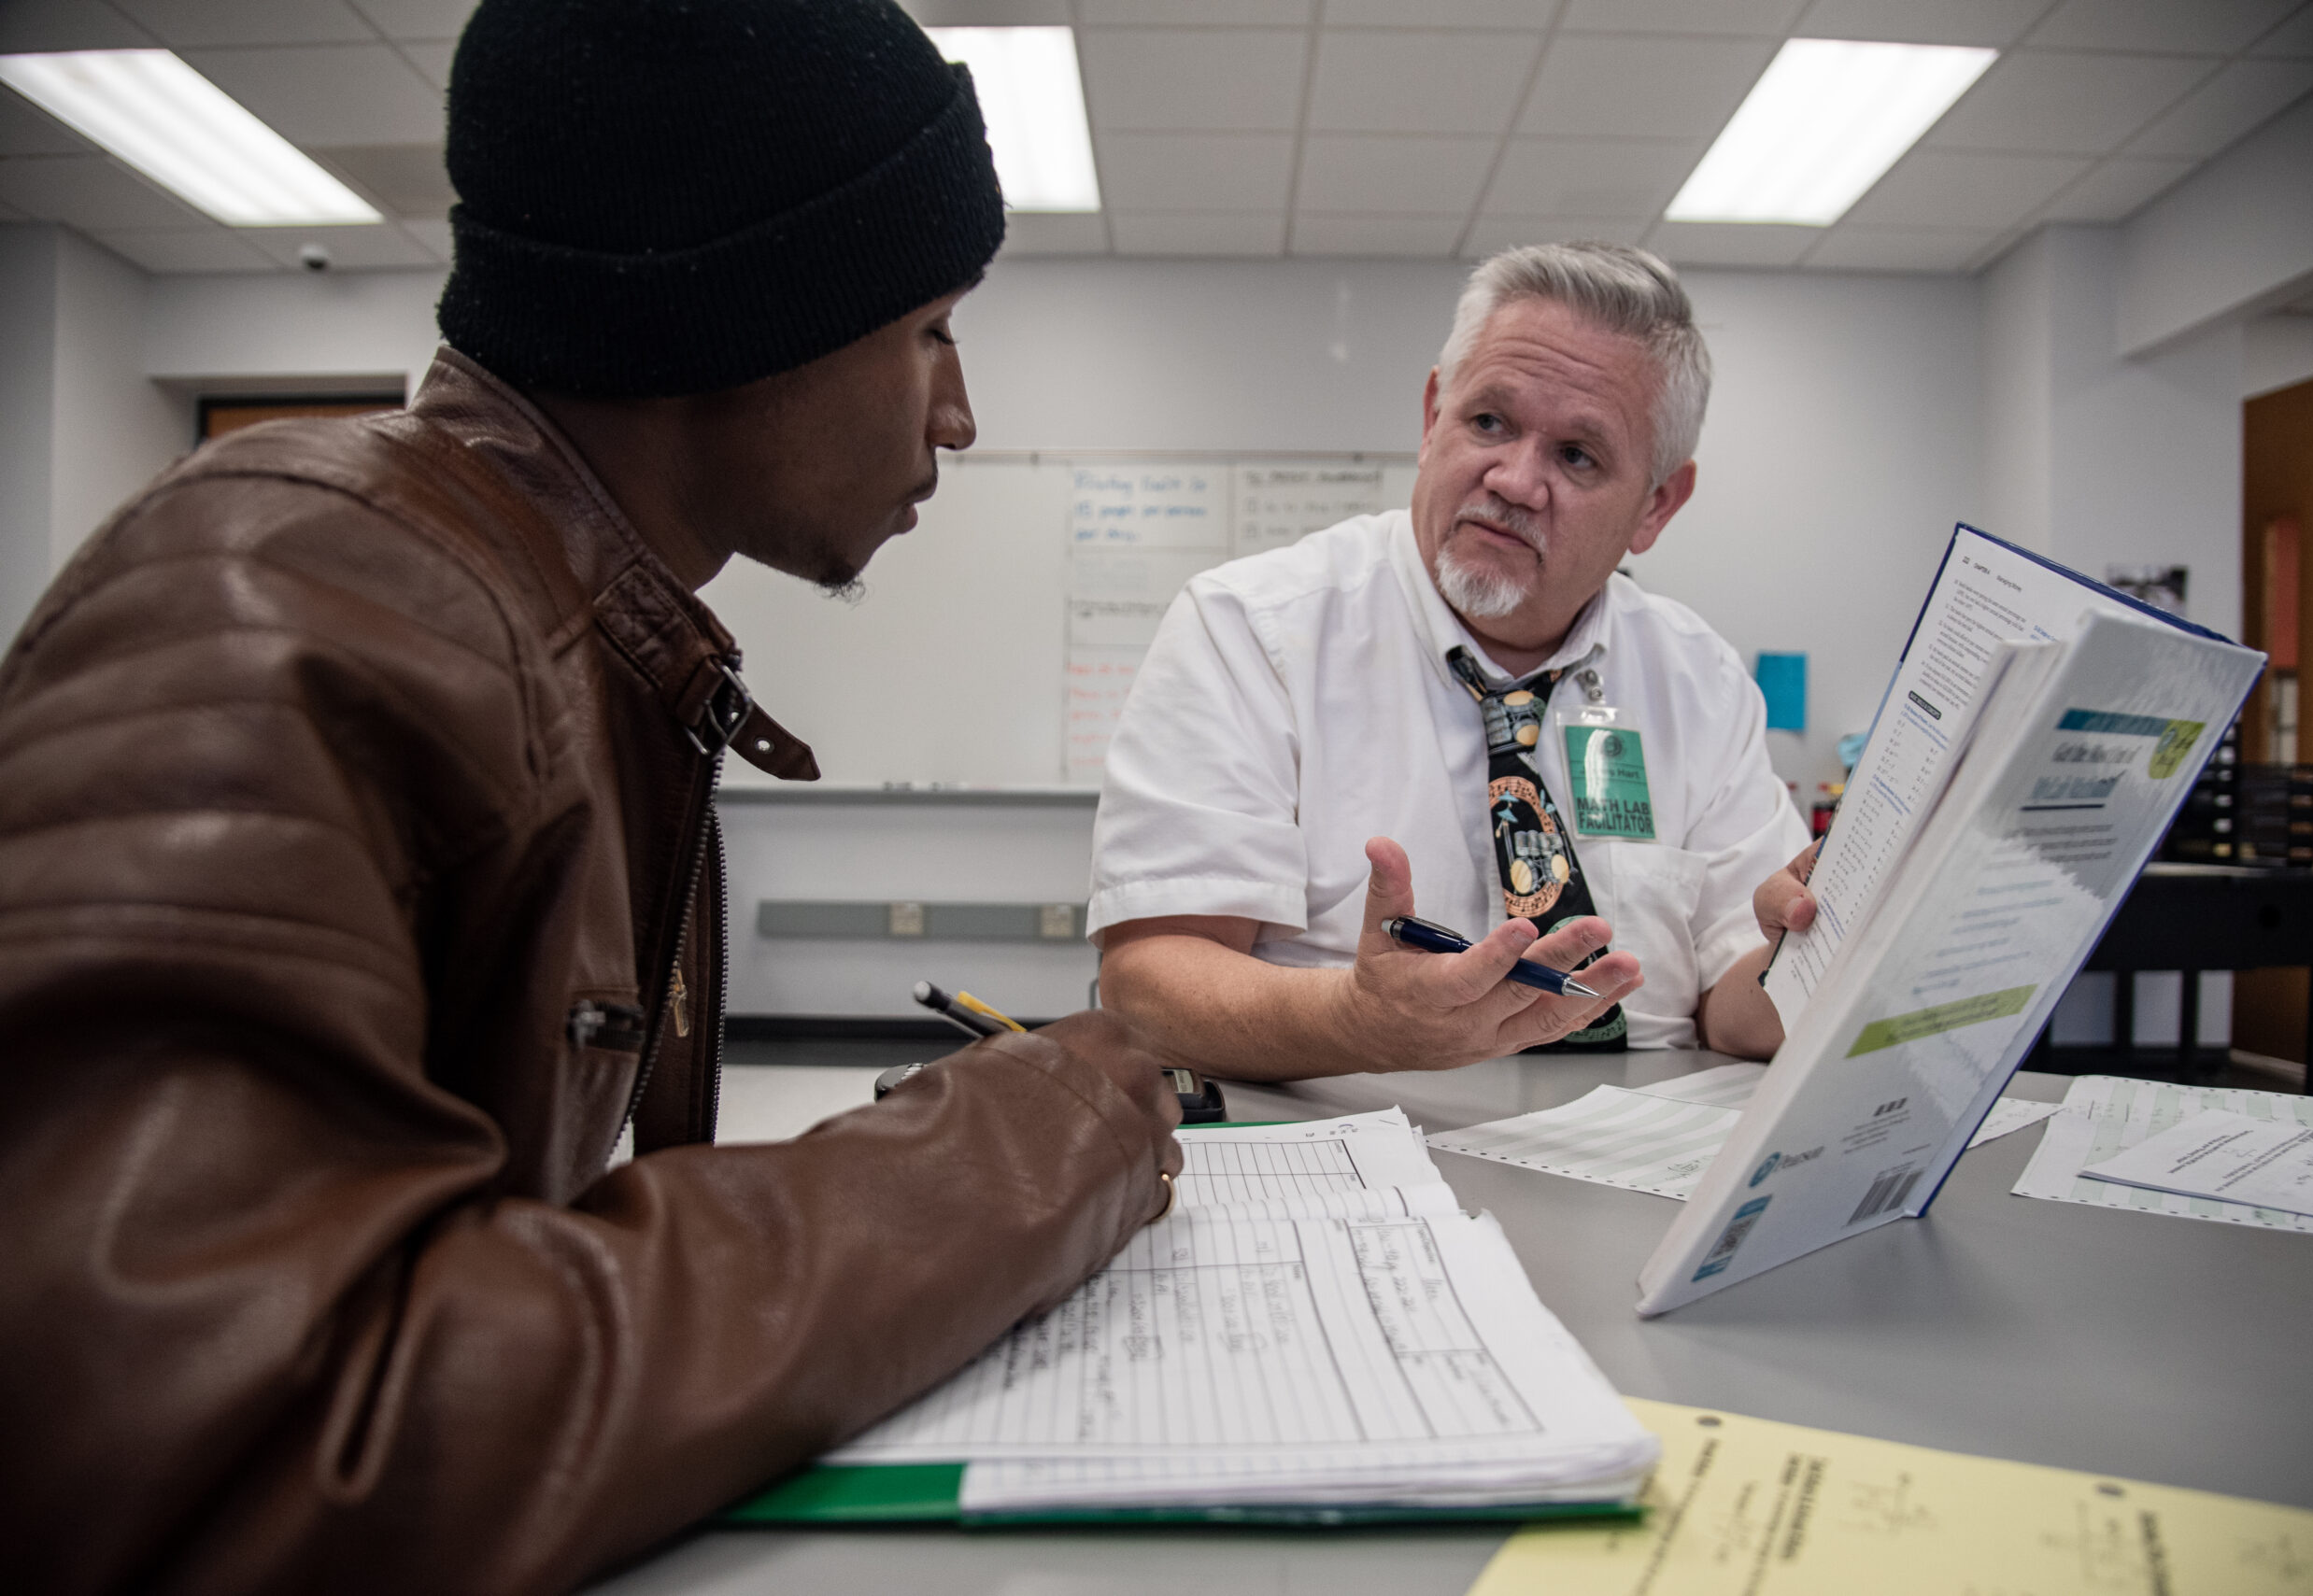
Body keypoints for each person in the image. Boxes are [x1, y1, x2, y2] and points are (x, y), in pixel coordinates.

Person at [0, 4, 1181, 1592]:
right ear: (750, 313)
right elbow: (219, 1445)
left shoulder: (521, 608)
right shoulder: (291, 587)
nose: (955, 411)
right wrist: (1014, 1145)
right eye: (926, 330)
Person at [1092, 242, 1815, 1080]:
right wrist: (1357, 1023)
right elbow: (1147, 980)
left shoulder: (1704, 684)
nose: (1514, 480)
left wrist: (1809, 955)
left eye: (1577, 456)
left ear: (1656, 505)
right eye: (1489, 422)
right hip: (1341, 1152)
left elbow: (1737, 1013)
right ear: (1435, 414)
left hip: (1639, 1165)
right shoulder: (1251, 632)